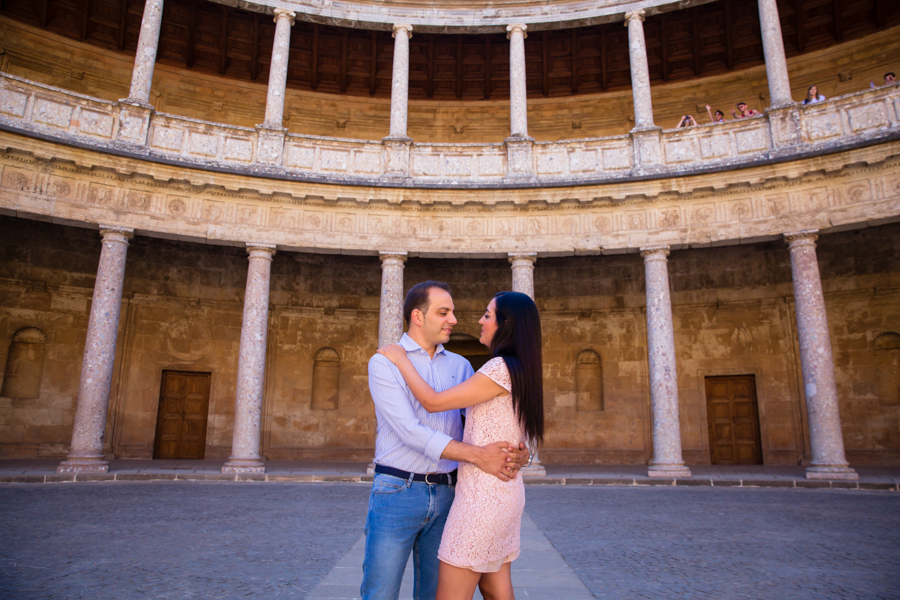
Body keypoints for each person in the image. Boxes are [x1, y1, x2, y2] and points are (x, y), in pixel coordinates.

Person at [362, 281, 529, 600]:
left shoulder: (461, 365)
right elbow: (410, 431)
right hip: (398, 490)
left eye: (452, 312)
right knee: (380, 591)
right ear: (418, 316)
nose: (454, 319)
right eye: (444, 312)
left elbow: (484, 422)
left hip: (450, 494)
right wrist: (477, 455)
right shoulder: (384, 362)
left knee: (433, 593)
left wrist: (521, 453)